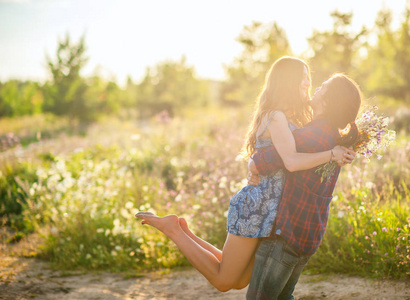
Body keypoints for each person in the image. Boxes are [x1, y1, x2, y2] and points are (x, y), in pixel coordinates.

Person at [135, 57, 355, 292]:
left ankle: (184, 231)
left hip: (270, 210)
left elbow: (276, 157)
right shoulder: (276, 116)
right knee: (223, 281)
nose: (308, 82)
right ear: (287, 81)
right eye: (302, 77)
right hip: (257, 207)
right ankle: (174, 231)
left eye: (308, 76)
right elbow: (290, 160)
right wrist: (332, 153)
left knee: (238, 280)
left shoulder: (292, 119)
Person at [245, 73, 362, 299]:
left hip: (284, 236)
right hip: (306, 235)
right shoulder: (332, 137)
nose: (316, 88)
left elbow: (258, 162)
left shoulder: (312, 136)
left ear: (326, 102)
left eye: (323, 87)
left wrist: (252, 167)